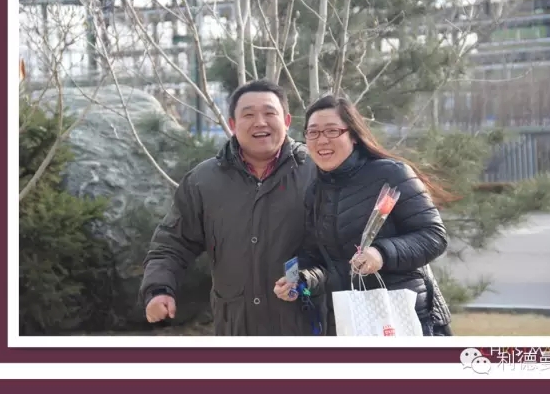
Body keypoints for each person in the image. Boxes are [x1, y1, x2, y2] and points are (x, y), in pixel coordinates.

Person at [139, 79, 320, 336]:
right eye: (248, 115)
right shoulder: (204, 181)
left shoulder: (317, 173)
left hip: (307, 326)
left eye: (270, 113)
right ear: (233, 124)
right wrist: (159, 289)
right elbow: (172, 244)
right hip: (236, 327)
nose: (260, 122)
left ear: (287, 121)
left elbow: (343, 246)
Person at [273, 94, 456, 336]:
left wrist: (381, 253)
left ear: (353, 135)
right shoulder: (315, 191)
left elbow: (434, 237)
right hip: (352, 320)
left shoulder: (392, 174)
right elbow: (318, 258)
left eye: (332, 131)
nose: (322, 140)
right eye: (313, 132)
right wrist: (300, 279)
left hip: (406, 318)